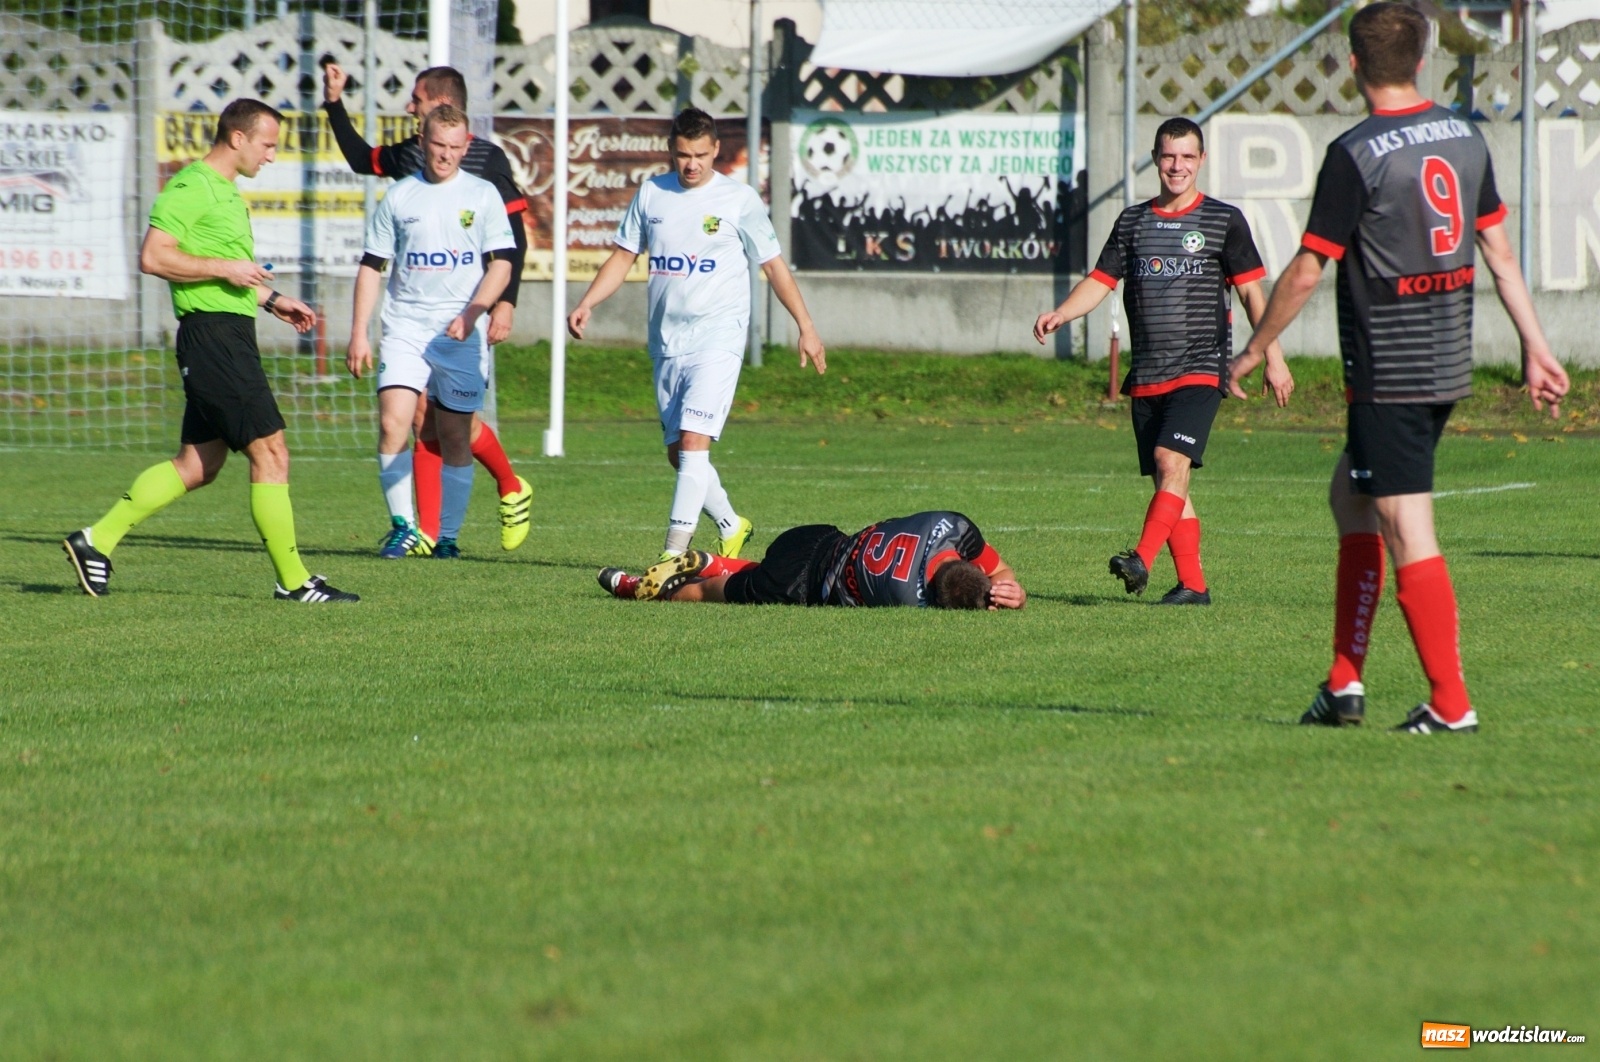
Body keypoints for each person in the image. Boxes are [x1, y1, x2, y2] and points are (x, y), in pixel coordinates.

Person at [1233, 2, 1569, 733]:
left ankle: (1451, 704)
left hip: (1391, 371)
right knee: (1349, 500)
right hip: (1447, 362)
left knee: (1405, 525)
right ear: (1423, 62)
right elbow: (1500, 254)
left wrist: (1256, 349)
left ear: (1352, 66)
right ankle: (1344, 684)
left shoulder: (1357, 152)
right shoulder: (1464, 134)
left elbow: (1304, 271)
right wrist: (1536, 348)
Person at [62, 99, 357, 603]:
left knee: (198, 464)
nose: (271, 156)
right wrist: (225, 268)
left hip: (229, 333)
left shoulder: (227, 193)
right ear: (238, 138)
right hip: (213, 338)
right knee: (271, 452)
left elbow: (231, 273)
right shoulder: (189, 186)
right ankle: (293, 582)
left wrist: (272, 300)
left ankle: (96, 540)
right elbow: (154, 256)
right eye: (267, 144)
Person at [1034, 117, 1291, 605]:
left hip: (1200, 366)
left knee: (1169, 460)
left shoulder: (1223, 220)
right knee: (1171, 480)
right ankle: (1193, 585)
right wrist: (1062, 313)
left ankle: (1142, 560)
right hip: (1148, 372)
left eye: (1187, 157)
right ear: (1156, 159)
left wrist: (1272, 357)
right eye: (1169, 156)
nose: (1177, 166)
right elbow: (1100, 280)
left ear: (1201, 161)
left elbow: (1254, 295)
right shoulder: (1132, 221)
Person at [568, 107, 827, 562]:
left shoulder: (738, 199)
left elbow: (773, 266)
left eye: (701, 155)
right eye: (683, 155)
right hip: (667, 341)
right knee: (680, 454)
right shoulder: (652, 195)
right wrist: (588, 302)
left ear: (716, 151)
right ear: (671, 150)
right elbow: (622, 256)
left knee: (693, 442)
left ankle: (672, 554)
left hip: (719, 337)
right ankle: (731, 523)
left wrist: (806, 327)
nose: (692, 165)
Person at [322, 62, 533, 553]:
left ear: (464, 142)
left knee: (454, 430)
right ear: (425, 138)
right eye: (438, 146)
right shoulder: (401, 189)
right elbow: (371, 262)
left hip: (461, 329)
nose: (446, 155)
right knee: (400, 419)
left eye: (454, 148)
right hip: (407, 327)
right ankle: (409, 528)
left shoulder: (485, 179)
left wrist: (494, 307)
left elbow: (508, 252)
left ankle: (461, 523)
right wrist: (359, 332)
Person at [597, 510, 1026, 610]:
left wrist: (1009, 584)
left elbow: (996, 568)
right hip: (799, 581)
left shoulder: (954, 525)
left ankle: (710, 558)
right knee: (712, 595)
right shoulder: (910, 598)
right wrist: (1013, 600)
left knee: (750, 574)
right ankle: (640, 589)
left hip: (817, 536)